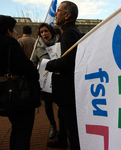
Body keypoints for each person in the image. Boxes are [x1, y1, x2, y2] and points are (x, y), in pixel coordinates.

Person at [0, 15, 40, 150]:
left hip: (4, 95)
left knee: (16, 129)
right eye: (14, 29)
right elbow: (30, 71)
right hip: (21, 96)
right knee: (23, 134)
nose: (16, 32)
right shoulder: (11, 45)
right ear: (8, 31)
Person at [45, 1, 83, 150]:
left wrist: (47, 64)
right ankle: (61, 141)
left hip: (67, 90)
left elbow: (67, 62)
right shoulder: (71, 31)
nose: (55, 13)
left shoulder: (68, 33)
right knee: (63, 117)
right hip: (67, 89)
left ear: (67, 15)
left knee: (72, 126)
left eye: (58, 11)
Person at [31, 23, 58, 139]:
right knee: (47, 105)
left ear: (51, 31)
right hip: (45, 81)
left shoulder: (59, 43)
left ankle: (64, 128)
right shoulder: (37, 46)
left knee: (61, 105)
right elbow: (33, 62)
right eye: (41, 32)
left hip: (58, 80)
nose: (44, 34)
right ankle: (53, 125)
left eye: (46, 31)